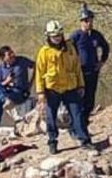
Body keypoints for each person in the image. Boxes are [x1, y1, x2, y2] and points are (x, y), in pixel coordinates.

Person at [35, 20, 95, 155]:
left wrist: (81, 85)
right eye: (54, 36)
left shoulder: (70, 48)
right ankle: (52, 142)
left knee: (77, 114)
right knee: (51, 117)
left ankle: (85, 141)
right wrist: (40, 92)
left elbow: (77, 67)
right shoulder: (44, 52)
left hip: (70, 87)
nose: (57, 38)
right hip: (52, 89)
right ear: (48, 36)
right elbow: (39, 72)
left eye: (59, 35)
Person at [70, 4, 110, 130]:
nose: (89, 22)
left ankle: (84, 124)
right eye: (86, 20)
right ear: (81, 21)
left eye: (90, 20)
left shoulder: (96, 35)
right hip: (79, 73)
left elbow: (106, 47)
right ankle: (76, 127)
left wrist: (101, 62)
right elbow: (66, 51)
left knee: (90, 100)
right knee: (79, 100)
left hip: (93, 71)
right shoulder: (76, 36)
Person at [0, 46, 35, 135]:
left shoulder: (22, 61)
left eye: (12, 52)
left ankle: (6, 99)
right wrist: (7, 81)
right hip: (8, 92)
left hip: (20, 93)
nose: (13, 55)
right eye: (9, 55)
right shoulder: (0, 67)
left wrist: (31, 83)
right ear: (3, 58)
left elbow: (37, 66)